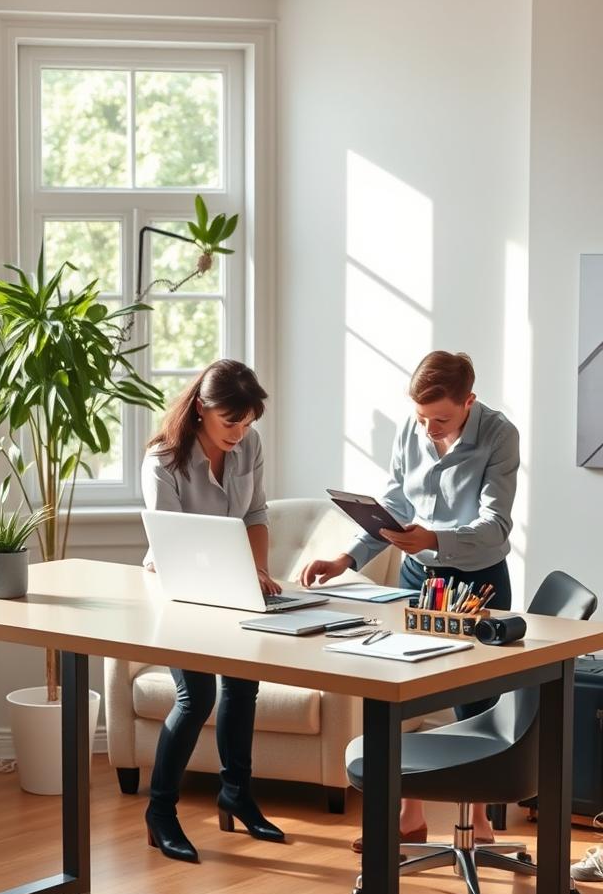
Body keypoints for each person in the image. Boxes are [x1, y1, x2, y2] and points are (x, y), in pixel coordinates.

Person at [301, 350, 519, 849]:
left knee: (473, 701)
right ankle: (409, 815)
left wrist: (435, 537)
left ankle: (479, 821)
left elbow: (496, 526)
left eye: (440, 419)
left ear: (469, 401)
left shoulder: (499, 435)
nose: (429, 429)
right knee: (405, 689)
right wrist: (345, 559)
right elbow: (396, 506)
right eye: (422, 418)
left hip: (476, 580)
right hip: (418, 575)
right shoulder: (412, 428)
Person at [141, 359, 285, 863]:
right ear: (202, 408)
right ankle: (161, 811)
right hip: (180, 589)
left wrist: (258, 571)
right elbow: (173, 542)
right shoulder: (163, 461)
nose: (239, 433)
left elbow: (256, 513)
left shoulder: (250, 445)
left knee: (243, 687)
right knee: (195, 696)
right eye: (231, 422)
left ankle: (237, 794)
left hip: (237, 585)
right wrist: (237, 576)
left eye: (247, 423)